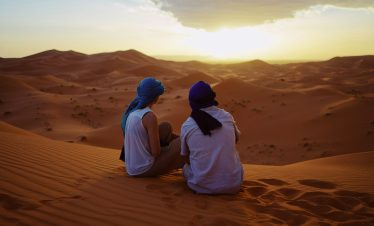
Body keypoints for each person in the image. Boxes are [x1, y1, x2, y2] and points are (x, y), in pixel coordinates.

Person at [180, 81, 243, 194]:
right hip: (234, 185)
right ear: (211, 97)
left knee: (185, 168)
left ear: (191, 101)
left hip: (201, 186)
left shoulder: (188, 125)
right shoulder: (227, 116)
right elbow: (236, 139)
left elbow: (186, 158)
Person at [120, 77, 183, 177]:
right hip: (143, 168)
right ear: (155, 97)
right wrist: (170, 148)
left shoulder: (132, 112)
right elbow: (156, 153)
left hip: (132, 167)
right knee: (183, 142)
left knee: (165, 128)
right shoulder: (149, 116)